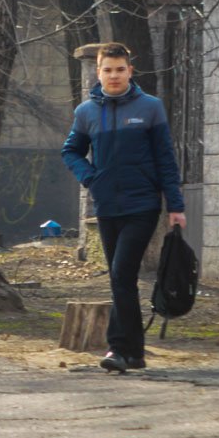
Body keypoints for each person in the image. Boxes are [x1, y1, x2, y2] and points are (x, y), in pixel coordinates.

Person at [61, 42, 185, 373]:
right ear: (98, 72)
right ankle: (135, 354)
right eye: (107, 70)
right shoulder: (86, 112)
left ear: (130, 71)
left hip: (142, 204)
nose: (113, 76)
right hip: (106, 205)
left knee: (120, 273)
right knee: (123, 279)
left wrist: (175, 205)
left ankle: (118, 348)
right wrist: (90, 178)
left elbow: (165, 159)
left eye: (119, 69)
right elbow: (70, 151)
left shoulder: (150, 108)